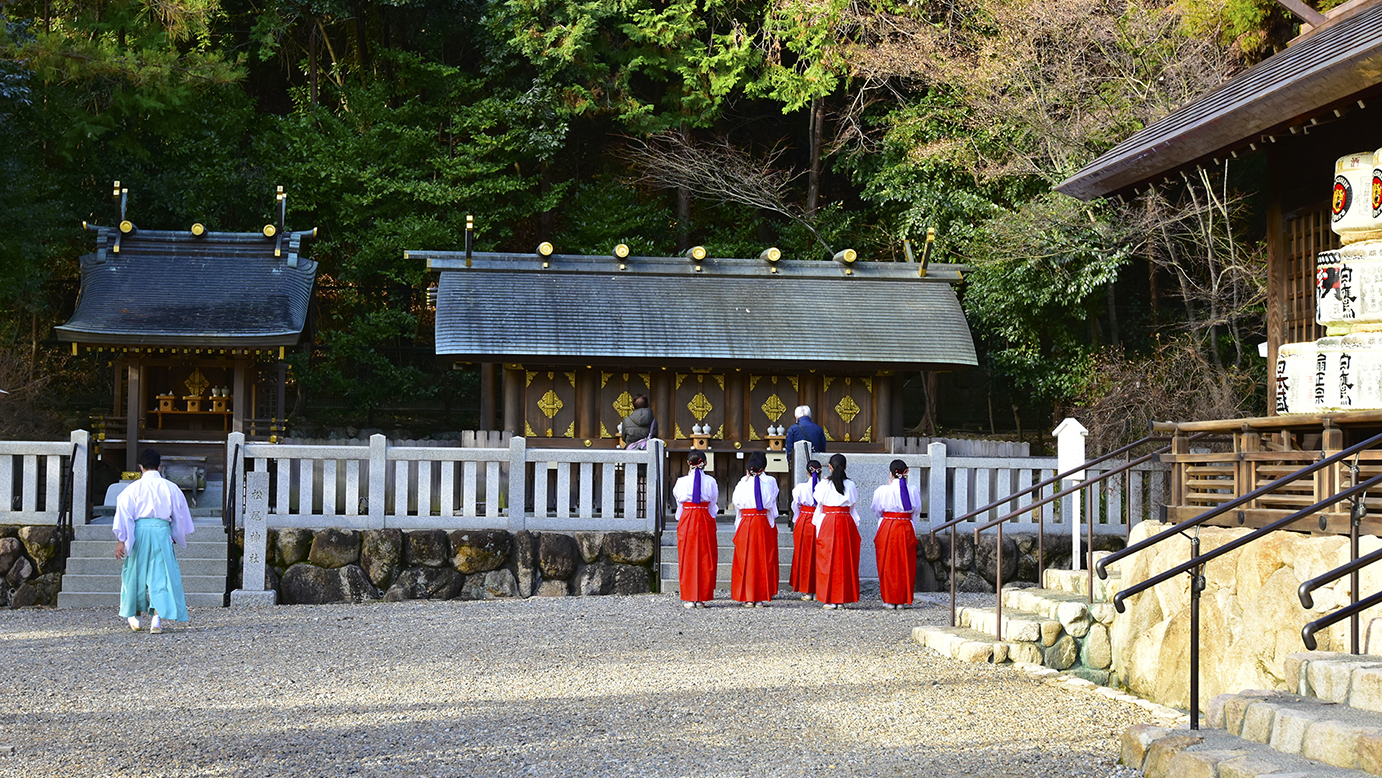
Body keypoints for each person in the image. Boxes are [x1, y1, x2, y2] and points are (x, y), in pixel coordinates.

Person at [113, 448, 194, 633]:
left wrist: (121, 540)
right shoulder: (170, 487)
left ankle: (136, 617)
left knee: (135, 574)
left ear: (141, 467)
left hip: (139, 532)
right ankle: (156, 619)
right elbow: (179, 516)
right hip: (161, 532)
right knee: (162, 576)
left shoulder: (131, 489)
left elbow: (123, 516)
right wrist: (175, 535)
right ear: (160, 466)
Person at [730, 452, 780, 607]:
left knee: (745, 558)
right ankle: (760, 596)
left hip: (746, 520)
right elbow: (771, 505)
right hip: (763, 521)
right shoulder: (768, 484)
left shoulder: (741, 485)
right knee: (762, 558)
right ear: (763, 469)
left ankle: (748, 596)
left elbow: (737, 503)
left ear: (747, 470)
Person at [813, 453, 860, 609]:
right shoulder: (851, 485)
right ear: (846, 467)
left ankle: (830, 598)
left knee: (827, 558)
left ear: (830, 467)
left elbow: (818, 502)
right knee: (844, 559)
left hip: (828, 520)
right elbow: (853, 505)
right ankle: (841, 598)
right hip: (845, 520)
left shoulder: (823, 485)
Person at [671, 450, 718, 608]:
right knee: (706, 556)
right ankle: (701, 598)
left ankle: (690, 597)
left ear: (688, 463)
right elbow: (713, 503)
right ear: (705, 463)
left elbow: (678, 502)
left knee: (687, 556)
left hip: (688, 517)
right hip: (704, 515)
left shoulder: (681, 481)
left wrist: (681, 517)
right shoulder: (711, 481)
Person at [872, 459, 921, 609]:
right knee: (905, 562)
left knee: (886, 562)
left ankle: (888, 599)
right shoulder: (912, 489)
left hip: (887, 525)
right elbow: (917, 510)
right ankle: (901, 599)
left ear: (891, 473)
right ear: (906, 472)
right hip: (905, 525)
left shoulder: (882, 490)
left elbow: (876, 509)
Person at [789, 459, 823, 600]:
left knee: (804, 555)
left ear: (806, 471)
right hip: (820, 519)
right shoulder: (825, 486)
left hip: (805, 518)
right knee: (820, 555)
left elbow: (794, 506)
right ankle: (819, 589)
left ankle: (807, 591)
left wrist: (798, 518)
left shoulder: (800, 488)